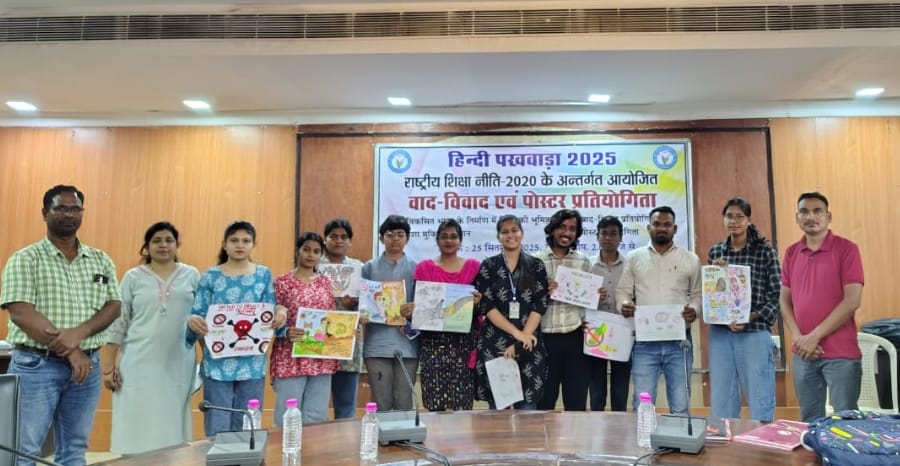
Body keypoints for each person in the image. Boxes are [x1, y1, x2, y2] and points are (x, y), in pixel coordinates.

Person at [0, 185, 121, 466]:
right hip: (36, 365)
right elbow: (21, 312)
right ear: (45, 213)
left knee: (74, 449)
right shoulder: (25, 258)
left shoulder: (100, 259)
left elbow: (114, 306)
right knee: (24, 450)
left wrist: (79, 335)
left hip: (87, 368)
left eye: (75, 209)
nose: (69, 214)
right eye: (61, 208)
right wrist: (71, 351)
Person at [103, 222, 201, 454]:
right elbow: (118, 322)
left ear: (177, 245)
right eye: (157, 241)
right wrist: (108, 367)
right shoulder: (133, 277)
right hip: (138, 362)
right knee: (136, 420)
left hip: (178, 361)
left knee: (172, 422)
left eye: (169, 240)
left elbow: (203, 319)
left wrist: (208, 360)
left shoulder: (192, 275)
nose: (163, 245)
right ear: (146, 247)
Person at [186, 220, 285, 436]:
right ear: (224, 244)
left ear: (253, 245)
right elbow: (199, 313)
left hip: (252, 363)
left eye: (246, 241)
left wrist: (280, 313)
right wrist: (193, 321)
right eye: (234, 240)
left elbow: (270, 312)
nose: (240, 245)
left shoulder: (263, 274)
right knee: (217, 425)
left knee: (248, 425)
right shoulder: (210, 276)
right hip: (217, 363)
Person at [781, 192, 864, 422]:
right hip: (803, 354)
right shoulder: (791, 253)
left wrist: (814, 337)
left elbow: (852, 300)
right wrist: (799, 339)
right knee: (809, 422)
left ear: (828, 216)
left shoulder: (847, 249)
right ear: (797, 217)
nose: (811, 216)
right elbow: (784, 300)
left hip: (841, 355)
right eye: (804, 212)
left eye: (817, 211)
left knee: (845, 423)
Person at [615, 206, 700, 414]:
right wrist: (624, 304)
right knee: (643, 403)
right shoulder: (634, 257)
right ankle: (643, 436)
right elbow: (623, 291)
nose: (662, 228)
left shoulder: (690, 259)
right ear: (648, 227)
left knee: (680, 404)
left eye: (667, 224)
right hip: (645, 343)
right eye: (657, 224)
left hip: (679, 342)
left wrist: (694, 309)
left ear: (675, 228)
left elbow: (698, 294)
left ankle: (680, 436)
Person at [707, 198, 782, 422]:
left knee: (760, 397)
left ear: (749, 220)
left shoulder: (765, 251)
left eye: (740, 216)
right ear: (723, 220)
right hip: (721, 334)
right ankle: (725, 441)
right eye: (729, 216)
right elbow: (714, 294)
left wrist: (750, 317)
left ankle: (762, 441)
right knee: (722, 399)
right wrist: (716, 274)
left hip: (754, 333)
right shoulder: (716, 252)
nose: (734, 221)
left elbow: (777, 294)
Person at [474, 214, 549, 410]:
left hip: (529, 344)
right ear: (498, 237)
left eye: (514, 230)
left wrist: (523, 339)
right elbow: (488, 306)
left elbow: (540, 304)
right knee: (498, 415)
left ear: (522, 233)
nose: (510, 235)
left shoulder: (536, 265)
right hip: (495, 344)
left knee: (528, 412)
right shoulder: (488, 266)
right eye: (505, 232)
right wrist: (518, 334)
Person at [271, 232, 340, 425]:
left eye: (316, 251)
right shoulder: (282, 282)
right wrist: (285, 331)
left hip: (321, 357)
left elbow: (332, 316)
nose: (311, 255)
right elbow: (270, 318)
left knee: (316, 418)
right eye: (306, 249)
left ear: (321, 255)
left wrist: (345, 332)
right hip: (290, 357)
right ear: (298, 251)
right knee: (287, 416)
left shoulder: (326, 282)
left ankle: (314, 447)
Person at [412, 219, 481, 411]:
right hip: (432, 344)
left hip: (463, 344)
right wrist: (411, 310)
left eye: (453, 236)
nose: (449, 241)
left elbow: (482, 308)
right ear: (437, 240)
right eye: (444, 236)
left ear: (460, 241)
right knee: (435, 404)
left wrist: (478, 303)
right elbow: (418, 306)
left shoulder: (474, 267)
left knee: (463, 405)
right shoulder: (424, 268)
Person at [534, 209, 593, 411]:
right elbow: (528, 300)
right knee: (544, 401)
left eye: (572, 229)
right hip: (544, 338)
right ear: (552, 229)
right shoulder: (536, 261)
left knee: (576, 401)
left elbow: (588, 302)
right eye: (562, 227)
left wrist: (596, 294)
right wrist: (542, 292)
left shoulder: (583, 261)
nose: (567, 233)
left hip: (575, 336)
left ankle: (575, 434)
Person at [361, 215, 418, 411]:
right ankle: (381, 433)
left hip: (408, 345)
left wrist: (415, 308)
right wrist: (362, 313)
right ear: (381, 238)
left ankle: (404, 432)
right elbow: (361, 303)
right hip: (377, 344)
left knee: (404, 400)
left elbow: (425, 305)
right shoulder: (368, 268)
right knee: (381, 401)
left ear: (407, 238)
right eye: (390, 234)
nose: (395, 239)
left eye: (400, 234)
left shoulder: (416, 268)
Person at [320, 218, 365, 419]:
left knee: (346, 406)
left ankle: (345, 438)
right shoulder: (315, 266)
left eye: (343, 237)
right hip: (319, 341)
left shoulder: (359, 268)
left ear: (350, 242)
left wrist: (356, 304)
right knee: (316, 405)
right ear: (325, 239)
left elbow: (370, 305)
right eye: (333, 236)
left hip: (348, 342)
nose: (338, 241)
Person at [588, 215, 631, 412]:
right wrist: (593, 296)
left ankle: (619, 424)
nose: (608, 238)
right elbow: (580, 298)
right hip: (596, 331)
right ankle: (597, 424)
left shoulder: (630, 265)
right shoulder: (588, 265)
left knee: (620, 387)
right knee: (596, 388)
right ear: (597, 236)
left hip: (623, 330)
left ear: (620, 237)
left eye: (613, 234)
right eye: (604, 233)